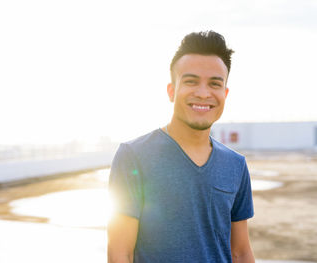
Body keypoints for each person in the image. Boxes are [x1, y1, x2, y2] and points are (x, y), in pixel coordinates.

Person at [107, 31, 255, 263]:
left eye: (214, 84)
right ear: (171, 91)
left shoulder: (236, 164)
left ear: (224, 94)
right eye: (191, 81)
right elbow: (120, 253)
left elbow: (241, 252)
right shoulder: (134, 156)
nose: (203, 93)